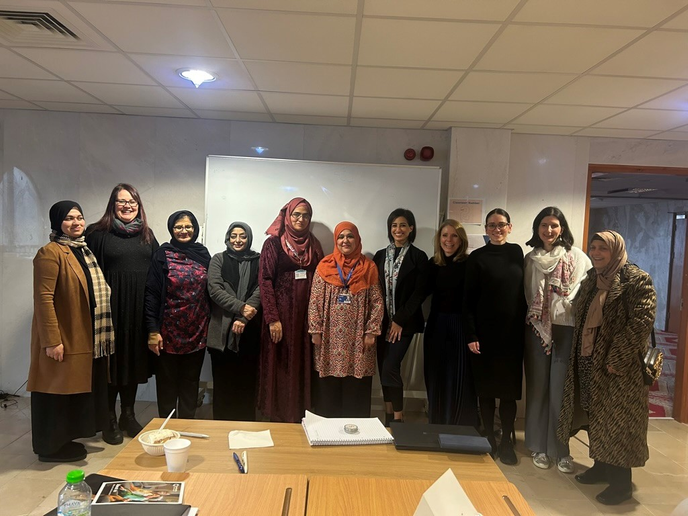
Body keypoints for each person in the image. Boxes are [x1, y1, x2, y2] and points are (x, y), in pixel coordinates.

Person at [558, 231, 656, 506]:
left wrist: (616, 359)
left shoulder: (636, 280)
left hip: (619, 368)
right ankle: (601, 466)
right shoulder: (592, 278)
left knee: (619, 423)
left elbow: (640, 323)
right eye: (594, 247)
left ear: (616, 251)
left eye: (604, 248)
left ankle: (621, 483)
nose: (597, 252)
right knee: (595, 415)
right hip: (589, 360)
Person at [28, 201, 115, 462]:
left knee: (70, 392)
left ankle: (64, 441)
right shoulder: (50, 252)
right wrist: (52, 341)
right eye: (68, 218)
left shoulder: (81, 250)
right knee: (54, 391)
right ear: (57, 223)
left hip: (82, 334)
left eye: (79, 217)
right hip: (63, 335)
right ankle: (49, 448)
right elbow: (43, 298)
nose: (76, 223)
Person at [86, 183, 158, 441]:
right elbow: (86, 275)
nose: (127, 206)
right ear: (112, 204)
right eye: (122, 201)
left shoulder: (146, 235)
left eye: (132, 202)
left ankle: (128, 414)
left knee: (134, 364)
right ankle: (108, 418)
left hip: (138, 313)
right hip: (110, 312)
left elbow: (158, 272)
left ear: (139, 206)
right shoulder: (97, 234)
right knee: (111, 366)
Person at [524, 207, 592, 474]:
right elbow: (527, 295)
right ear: (537, 228)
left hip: (566, 330)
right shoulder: (531, 258)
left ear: (562, 228)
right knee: (538, 389)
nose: (548, 230)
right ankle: (538, 446)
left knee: (561, 392)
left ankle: (561, 449)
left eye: (554, 225)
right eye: (544, 225)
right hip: (536, 330)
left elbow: (582, 293)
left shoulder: (577, 257)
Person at [464, 208, 526, 465]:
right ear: (486, 229)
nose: (497, 229)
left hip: (512, 334)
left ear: (509, 227)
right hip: (484, 335)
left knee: (509, 393)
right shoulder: (476, 257)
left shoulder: (517, 253)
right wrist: (471, 334)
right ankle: (489, 438)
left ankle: (506, 443)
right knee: (486, 392)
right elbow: (467, 300)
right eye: (492, 225)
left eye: (501, 225)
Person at [257, 198, 324, 422]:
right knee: (281, 363)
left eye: (305, 215)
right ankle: (278, 415)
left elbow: (323, 279)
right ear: (287, 216)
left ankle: (301, 414)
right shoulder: (273, 244)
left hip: (307, 316)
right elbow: (265, 281)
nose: (300, 219)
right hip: (281, 316)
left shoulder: (314, 244)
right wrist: (273, 319)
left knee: (303, 362)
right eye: (296, 214)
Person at [308, 221, 383, 418]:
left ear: (357, 239)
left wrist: (371, 331)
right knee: (329, 385)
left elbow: (376, 302)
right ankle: (327, 430)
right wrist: (315, 330)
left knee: (355, 387)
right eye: (341, 236)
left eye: (350, 236)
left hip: (359, 339)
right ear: (335, 240)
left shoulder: (369, 267)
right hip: (329, 338)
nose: (345, 240)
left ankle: (357, 432)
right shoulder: (324, 266)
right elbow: (314, 300)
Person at [145, 210, 211, 419]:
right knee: (167, 384)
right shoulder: (162, 255)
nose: (184, 231)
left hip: (197, 330)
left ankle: (187, 426)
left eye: (188, 227)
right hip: (168, 331)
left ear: (195, 229)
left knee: (191, 382)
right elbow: (152, 294)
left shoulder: (203, 254)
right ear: (172, 229)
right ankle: (168, 428)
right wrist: (152, 331)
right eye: (179, 227)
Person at [373, 208, 428, 425]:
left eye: (403, 225)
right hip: (381, 323)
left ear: (411, 228)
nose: (398, 229)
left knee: (390, 367)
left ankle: (398, 418)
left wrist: (399, 320)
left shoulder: (418, 257)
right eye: (394, 225)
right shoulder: (379, 255)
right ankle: (388, 415)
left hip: (404, 324)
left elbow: (419, 293)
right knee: (383, 368)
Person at [423, 219, 477, 427]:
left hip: (460, 326)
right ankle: (436, 421)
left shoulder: (469, 263)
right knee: (435, 374)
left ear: (461, 239)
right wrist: (400, 318)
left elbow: (472, 301)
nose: (449, 240)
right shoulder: (433, 263)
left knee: (457, 377)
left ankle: (457, 424)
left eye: (454, 235)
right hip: (436, 325)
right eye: (445, 235)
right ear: (439, 239)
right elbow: (419, 293)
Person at [207, 222, 261, 421]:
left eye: (243, 236)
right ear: (228, 238)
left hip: (250, 330)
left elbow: (260, 290)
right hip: (221, 331)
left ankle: (246, 427)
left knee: (247, 382)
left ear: (249, 238)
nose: (238, 240)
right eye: (234, 236)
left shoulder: (259, 260)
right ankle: (222, 427)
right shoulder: (218, 259)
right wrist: (241, 308)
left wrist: (243, 317)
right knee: (223, 384)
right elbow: (215, 290)